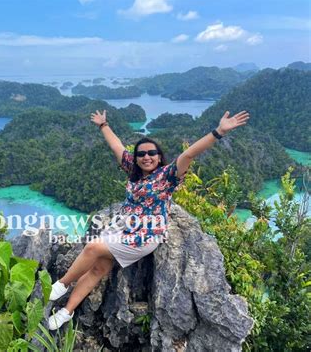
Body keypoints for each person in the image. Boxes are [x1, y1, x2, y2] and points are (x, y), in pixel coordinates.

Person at [47, 109, 250, 330]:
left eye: (151, 153)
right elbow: (117, 146)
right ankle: (67, 311)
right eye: (141, 154)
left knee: (92, 248)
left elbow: (189, 154)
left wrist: (219, 131)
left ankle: (61, 284)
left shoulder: (167, 176)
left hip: (144, 236)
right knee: (97, 270)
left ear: (159, 156)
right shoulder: (132, 169)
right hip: (121, 227)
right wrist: (103, 125)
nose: (146, 157)